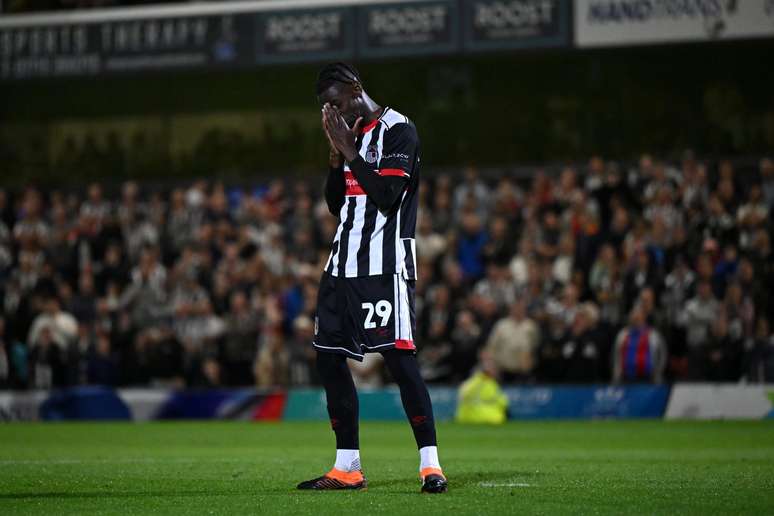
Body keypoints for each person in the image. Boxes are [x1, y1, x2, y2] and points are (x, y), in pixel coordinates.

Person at [297, 63, 447, 494]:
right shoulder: (348, 137)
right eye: (327, 108)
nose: (335, 114)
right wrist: (335, 160)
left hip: (385, 268)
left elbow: (386, 197)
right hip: (341, 265)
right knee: (328, 357)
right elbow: (336, 206)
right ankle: (347, 467)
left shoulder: (400, 130)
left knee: (400, 361)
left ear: (356, 89)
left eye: (338, 103)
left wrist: (350, 151)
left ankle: (431, 465)